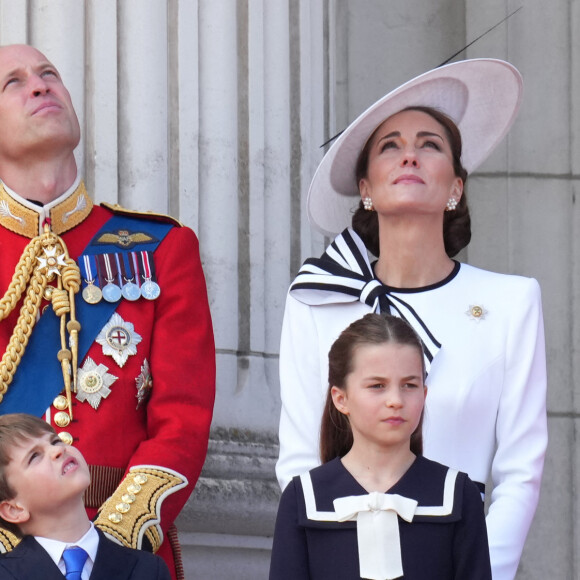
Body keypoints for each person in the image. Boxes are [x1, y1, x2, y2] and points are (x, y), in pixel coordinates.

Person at [276, 59, 547, 580]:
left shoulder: (512, 302)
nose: (410, 156)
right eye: (390, 146)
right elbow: (300, 460)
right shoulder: (316, 299)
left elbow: (519, 471)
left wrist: (481, 571)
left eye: (430, 144)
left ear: (456, 187)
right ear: (366, 188)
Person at [0, 44, 215, 580]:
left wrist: (106, 548)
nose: (41, 85)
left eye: (50, 74)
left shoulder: (163, 246)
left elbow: (183, 417)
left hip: (125, 557)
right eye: (14, 82)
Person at [271, 314, 491, 580]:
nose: (396, 400)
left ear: (425, 393)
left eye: (409, 385)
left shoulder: (457, 495)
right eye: (378, 386)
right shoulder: (303, 497)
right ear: (341, 399)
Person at [0, 413, 171, 579]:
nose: (58, 450)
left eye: (55, 440)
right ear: (14, 509)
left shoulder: (148, 569)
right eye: (35, 456)